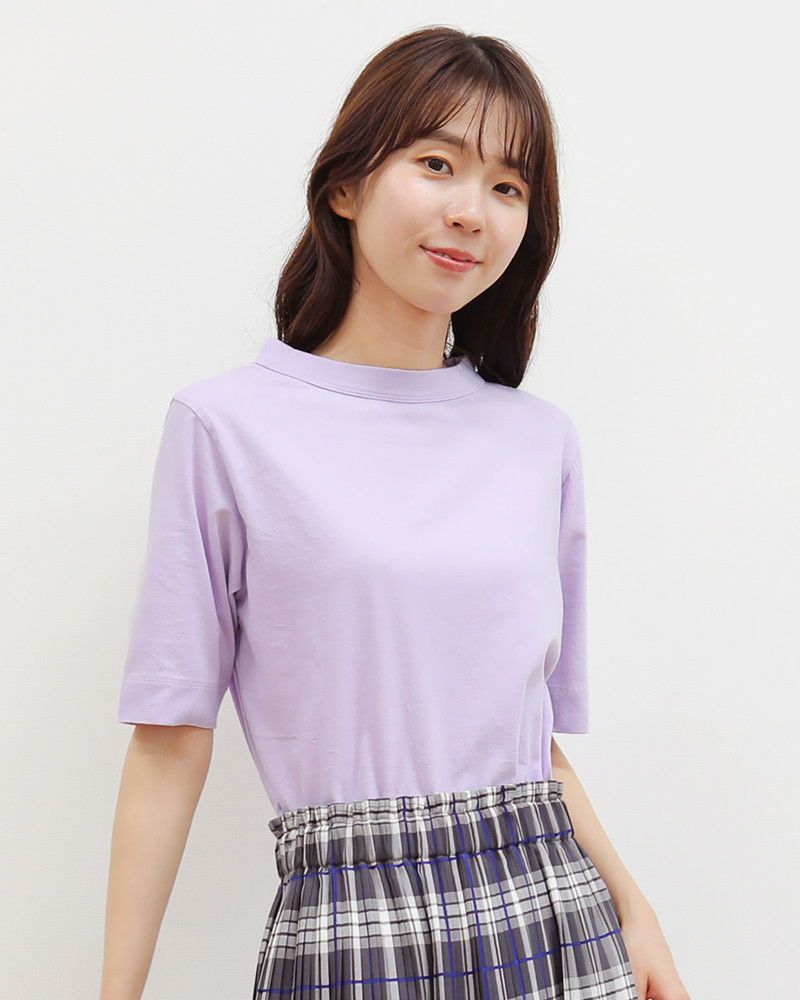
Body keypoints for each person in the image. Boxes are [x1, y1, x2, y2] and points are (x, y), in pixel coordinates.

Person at [101, 26, 690, 1000]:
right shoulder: (226, 428)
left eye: (507, 186)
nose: (470, 211)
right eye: (437, 164)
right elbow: (169, 740)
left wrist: (635, 908)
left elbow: (527, 741)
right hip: (351, 927)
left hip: (555, 917)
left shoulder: (537, 440)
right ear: (345, 185)